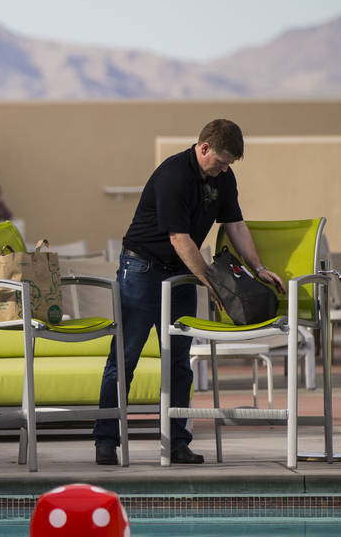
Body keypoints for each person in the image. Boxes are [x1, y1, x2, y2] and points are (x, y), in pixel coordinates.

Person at [94, 118, 285, 465]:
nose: (224, 168)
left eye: (229, 164)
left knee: (180, 362)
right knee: (125, 357)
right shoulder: (174, 175)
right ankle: (106, 440)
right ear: (203, 148)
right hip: (142, 269)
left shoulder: (222, 177)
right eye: (220, 161)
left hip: (182, 272)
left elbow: (235, 224)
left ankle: (177, 441)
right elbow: (179, 238)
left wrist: (258, 267)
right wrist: (213, 285)